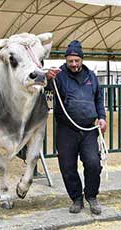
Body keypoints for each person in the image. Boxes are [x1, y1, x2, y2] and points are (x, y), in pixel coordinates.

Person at [46, 40, 107, 215]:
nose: (73, 64)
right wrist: (48, 80)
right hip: (67, 129)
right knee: (67, 166)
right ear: (66, 60)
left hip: (88, 129)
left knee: (93, 163)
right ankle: (76, 198)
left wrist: (102, 118)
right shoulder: (59, 75)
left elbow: (98, 99)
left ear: (81, 59)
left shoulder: (91, 76)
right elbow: (48, 93)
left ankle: (91, 196)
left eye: (76, 61)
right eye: (70, 61)